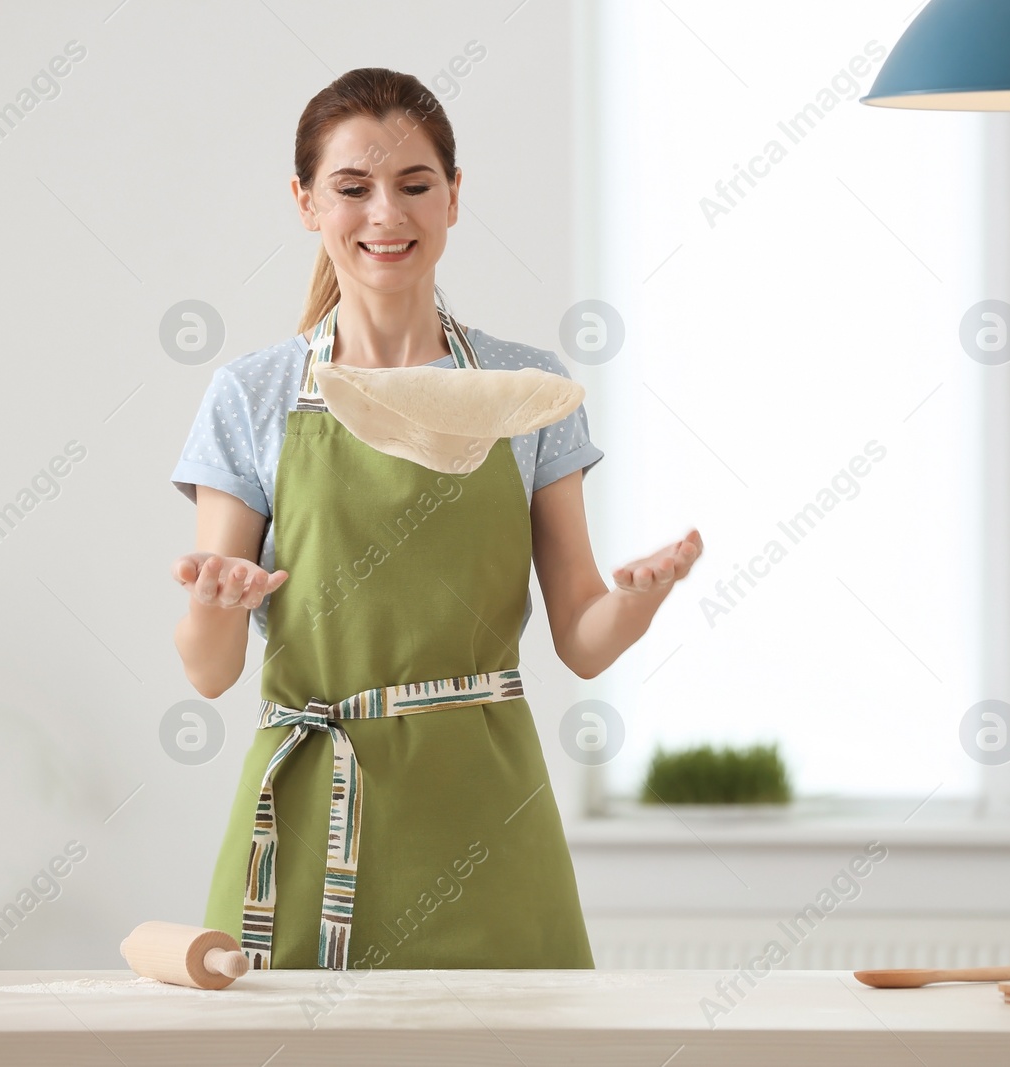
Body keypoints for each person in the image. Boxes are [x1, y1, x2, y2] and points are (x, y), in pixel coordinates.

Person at [167, 67, 701, 970]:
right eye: (352, 188)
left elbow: (581, 635)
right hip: (305, 810)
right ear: (305, 202)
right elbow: (212, 672)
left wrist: (639, 599)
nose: (387, 213)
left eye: (416, 185)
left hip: (487, 827)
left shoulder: (529, 390)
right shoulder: (250, 396)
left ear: (454, 198)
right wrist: (220, 601)